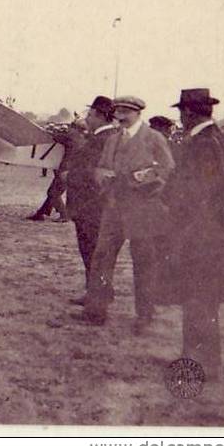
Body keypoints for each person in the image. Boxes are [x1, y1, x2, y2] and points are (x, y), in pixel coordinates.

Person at [73, 96, 175, 333]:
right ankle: (96, 310)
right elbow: (101, 167)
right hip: (113, 207)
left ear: (137, 113)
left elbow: (166, 168)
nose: (120, 115)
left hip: (142, 209)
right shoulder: (113, 139)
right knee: (102, 257)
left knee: (143, 262)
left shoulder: (153, 138)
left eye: (125, 111)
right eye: (117, 111)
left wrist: (138, 179)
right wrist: (104, 179)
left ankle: (145, 315)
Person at [162, 88, 224, 380]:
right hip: (206, 234)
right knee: (200, 301)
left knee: (199, 301)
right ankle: (197, 359)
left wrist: (168, 193)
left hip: (202, 236)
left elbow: (200, 191)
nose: (180, 118)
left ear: (189, 112)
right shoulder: (213, 139)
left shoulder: (204, 144)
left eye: (181, 113)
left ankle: (202, 364)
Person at [65, 96, 117, 302]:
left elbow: (93, 171)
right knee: (96, 251)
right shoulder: (107, 136)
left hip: (91, 205)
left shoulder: (101, 139)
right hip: (96, 204)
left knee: (92, 251)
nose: (87, 118)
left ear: (98, 115)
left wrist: (70, 175)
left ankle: (96, 294)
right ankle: (101, 291)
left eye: (89, 114)